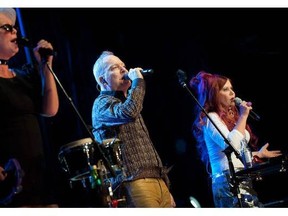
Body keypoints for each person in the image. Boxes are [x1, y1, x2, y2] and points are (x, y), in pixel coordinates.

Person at [91, 50, 175, 207]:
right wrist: (138, 83)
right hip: (134, 182)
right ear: (103, 80)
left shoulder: (128, 101)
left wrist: (165, 185)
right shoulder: (101, 104)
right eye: (115, 67)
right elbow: (129, 112)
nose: (124, 69)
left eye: (123, 65)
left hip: (158, 181)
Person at [189, 71, 282, 208]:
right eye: (225, 89)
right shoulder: (210, 118)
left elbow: (236, 154)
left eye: (231, 88)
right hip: (226, 181)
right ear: (214, 95)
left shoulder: (230, 118)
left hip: (241, 177)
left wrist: (257, 155)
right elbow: (231, 145)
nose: (232, 93)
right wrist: (244, 116)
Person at [0, 8, 59, 207]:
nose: (15, 32)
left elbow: (50, 109)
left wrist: (45, 65)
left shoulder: (23, 75)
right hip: (10, 180)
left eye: (15, 28)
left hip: (39, 174)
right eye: (7, 28)